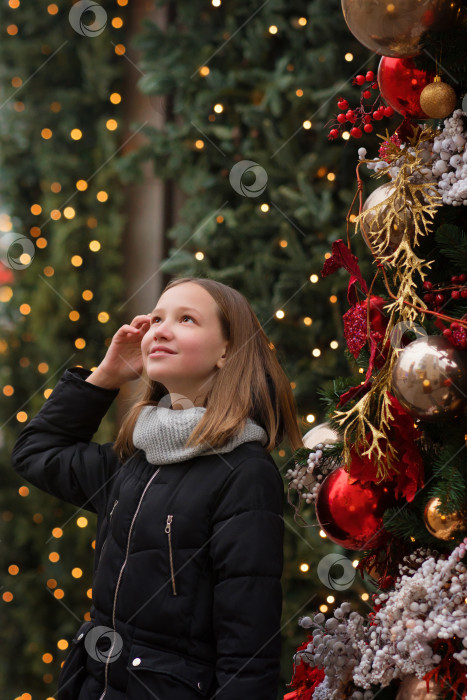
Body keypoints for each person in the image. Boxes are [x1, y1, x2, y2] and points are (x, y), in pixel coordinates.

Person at [11, 276, 303, 700]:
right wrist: (106, 375)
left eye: (186, 319)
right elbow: (36, 453)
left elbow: (248, 654)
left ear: (226, 350)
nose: (160, 329)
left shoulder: (244, 473)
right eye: (157, 318)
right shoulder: (133, 459)